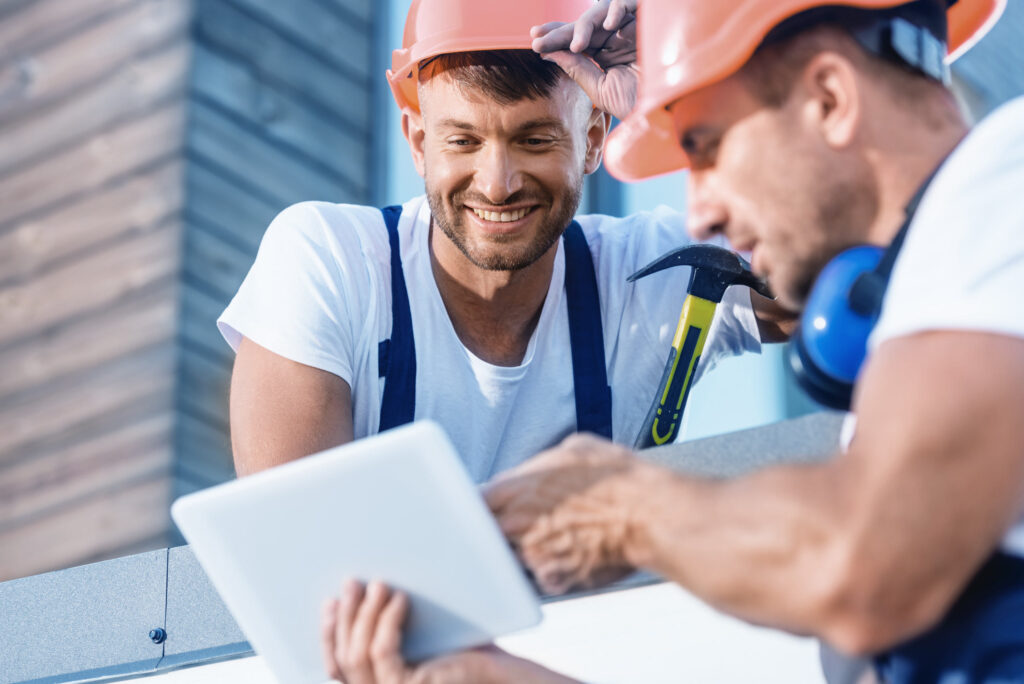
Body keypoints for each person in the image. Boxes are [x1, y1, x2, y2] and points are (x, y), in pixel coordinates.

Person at [322, 0, 1024, 682]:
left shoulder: (1006, 180)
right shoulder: (913, 406)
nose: (698, 211)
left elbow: (866, 568)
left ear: (831, 98)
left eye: (706, 148)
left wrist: (621, 507)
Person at [219, 0, 786, 480]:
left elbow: (840, 272)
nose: (497, 185)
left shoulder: (649, 273)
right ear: (418, 142)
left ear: (592, 141)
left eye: (534, 140)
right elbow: (301, 562)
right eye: (463, 142)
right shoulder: (332, 262)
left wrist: (694, 94)